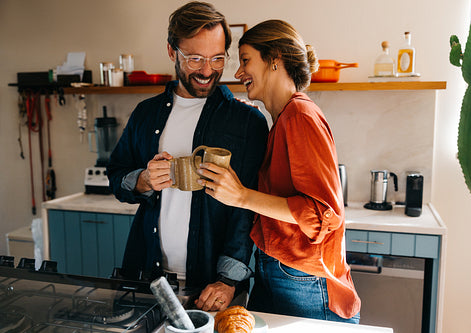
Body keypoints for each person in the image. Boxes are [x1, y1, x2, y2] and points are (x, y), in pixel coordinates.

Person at [106, 1, 268, 312]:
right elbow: (116, 175)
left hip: (212, 288)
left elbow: (250, 210)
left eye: (217, 58)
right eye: (195, 58)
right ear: (172, 51)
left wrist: (229, 280)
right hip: (147, 278)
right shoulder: (145, 113)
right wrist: (142, 180)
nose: (208, 71)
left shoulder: (248, 122)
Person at [196, 20, 361, 323]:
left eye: (245, 60)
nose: (238, 72)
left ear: (275, 59)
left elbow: (321, 215)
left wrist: (242, 197)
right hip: (286, 273)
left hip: (304, 281)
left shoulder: (299, 116)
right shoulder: (284, 119)